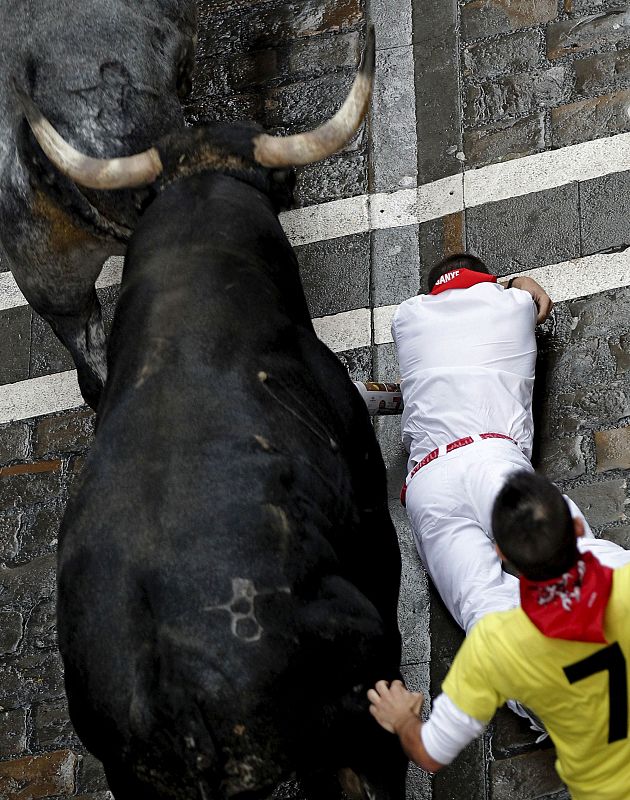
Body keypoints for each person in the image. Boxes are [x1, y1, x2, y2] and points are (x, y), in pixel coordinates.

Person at [368, 471, 630, 800]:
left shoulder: (495, 645)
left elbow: (428, 754)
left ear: (501, 554)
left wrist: (403, 718)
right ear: (578, 529)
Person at [392, 252, 556, 635]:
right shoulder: (514, 305)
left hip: (428, 481)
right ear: (487, 280)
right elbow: (533, 300)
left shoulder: (406, 317)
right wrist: (518, 283)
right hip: (492, 456)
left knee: (482, 608)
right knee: (567, 559)